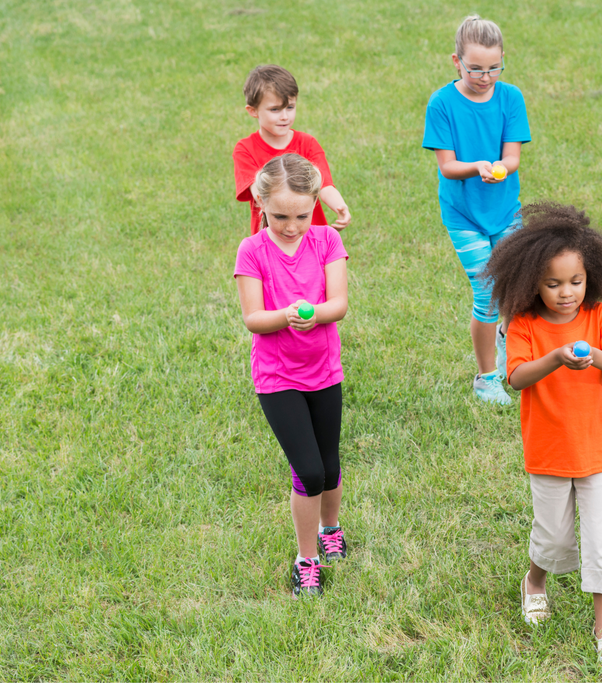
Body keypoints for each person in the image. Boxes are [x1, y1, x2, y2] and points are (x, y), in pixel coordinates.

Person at [483, 202, 602, 667]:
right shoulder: (525, 324)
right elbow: (516, 378)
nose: (566, 293)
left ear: (592, 276)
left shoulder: (600, 317)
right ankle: (535, 580)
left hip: (595, 449)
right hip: (549, 449)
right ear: (531, 282)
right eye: (552, 284)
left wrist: (592, 358)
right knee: (553, 536)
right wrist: (556, 358)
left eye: (576, 282)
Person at [233, 154, 349, 598]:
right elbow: (253, 318)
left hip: (324, 371)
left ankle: (331, 527)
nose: (291, 225)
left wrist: (314, 314)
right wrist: (287, 316)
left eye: (301, 215)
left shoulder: (325, 242)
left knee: (331, 466)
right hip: (278, 377)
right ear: (260, 203)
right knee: (309, 470)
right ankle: (307, 559)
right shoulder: (252, 250)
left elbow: (338, 304)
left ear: (314, 204)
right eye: (280, 215)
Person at [423, 14, 531, 405]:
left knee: (517, 288)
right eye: (475, 69)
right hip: (464, 214)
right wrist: (478, 167)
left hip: (505, 212)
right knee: (487, 290)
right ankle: (486, 378)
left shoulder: (510, 97)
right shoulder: (442, 104)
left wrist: (499, 168)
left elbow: (513, 157)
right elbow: (448, 167)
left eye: (493, 68)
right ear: (456, 61)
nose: (485, 76)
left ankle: (508, 342)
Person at [233, 64, 351, 235]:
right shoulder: (245, 150)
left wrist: (340, 206)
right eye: (275, 109)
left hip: (310, 234)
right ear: (253, 111)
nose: (284, 116)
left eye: (290, 107)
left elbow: (324, 185)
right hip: (272, 238)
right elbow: (259, 193)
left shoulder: (308, 144)